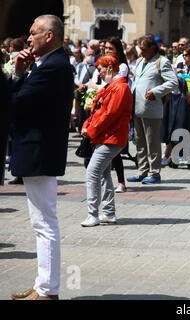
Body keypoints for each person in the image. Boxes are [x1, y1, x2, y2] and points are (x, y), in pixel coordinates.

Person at [9, 15, 74, 300]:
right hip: (38, 149)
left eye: (34, 33)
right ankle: (42, 285)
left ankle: (48, 290)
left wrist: (14, 77)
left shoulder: (55, 66)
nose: (29, 37)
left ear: (49, 36)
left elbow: (17, 102)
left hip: (40, 150)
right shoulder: (48, 64)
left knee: (45, 223)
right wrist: (20, 73)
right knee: (41, 222)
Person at [80, 54, 132, 227]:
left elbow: (110, 114)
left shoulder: (120, 87)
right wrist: (87, 125)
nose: (99, 73)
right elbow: (98, 109)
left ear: (109, 67)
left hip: (112, 137)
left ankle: (92, 214)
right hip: (106, 136)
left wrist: (91, 129)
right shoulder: (112, 86)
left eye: (100, 69)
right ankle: (109, 213)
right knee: (103, 174)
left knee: (93, 172)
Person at [127, 36, 178, 185]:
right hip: (137, 107)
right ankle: (142, 171)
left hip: (151, 108)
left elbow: (173, 82)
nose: (140, 52)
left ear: (152, 48)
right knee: (139, 142)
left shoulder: (161, 62)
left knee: (152, 142)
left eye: (143, 49)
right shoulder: (140, 61)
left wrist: (156, 91)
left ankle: (154, 173)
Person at [104, 37, 130, 194]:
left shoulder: (122, 67)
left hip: (117, 109)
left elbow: (112, 83)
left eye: (110, 48)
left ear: (118, 50)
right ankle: (100, 179)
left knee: (114, 148)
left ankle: (121, 182)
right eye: (106, 48)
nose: (107, 51)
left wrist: (104, 81)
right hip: (103, 108)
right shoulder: (103, 64)